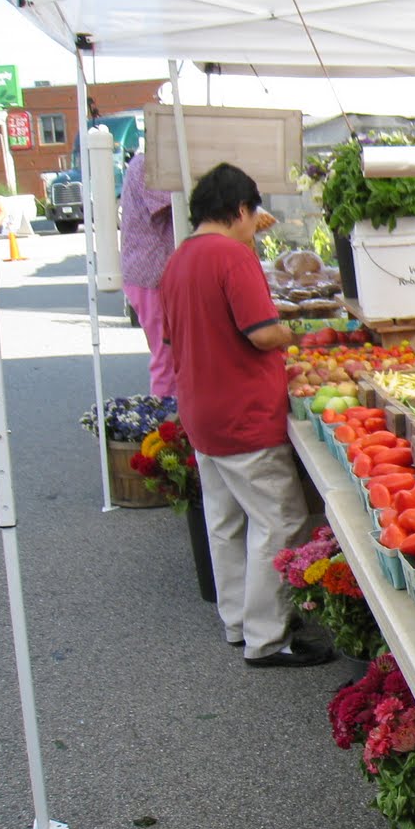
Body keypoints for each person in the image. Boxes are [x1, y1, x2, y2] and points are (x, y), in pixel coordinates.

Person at [158, 163, 331, 668]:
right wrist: (291, 336)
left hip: (201, 409)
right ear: (240, 210)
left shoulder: (179, 260)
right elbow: (261, 331)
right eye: (254, 216)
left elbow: (173, 338)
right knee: (280, 521)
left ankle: (237, 621)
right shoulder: (232, 256)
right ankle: (267, 637)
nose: (256, 226)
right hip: (243, 413)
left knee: (225, 521)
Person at [118, 151, 178, 398]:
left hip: (157, 272)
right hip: (151, 273)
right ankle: (166, 428)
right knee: (167, 357)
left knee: (173, 355)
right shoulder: (148, 163)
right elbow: (178, 204)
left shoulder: (155, 162)